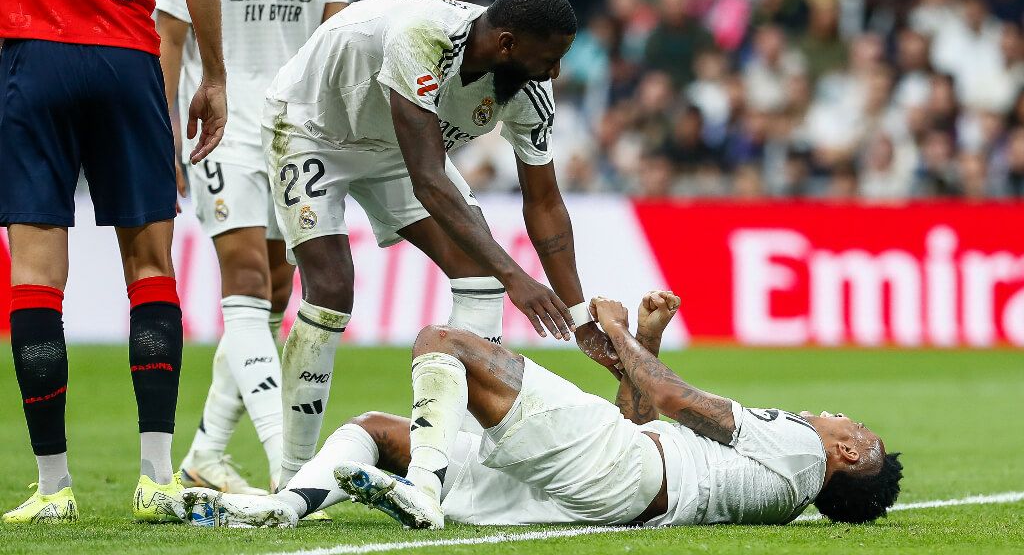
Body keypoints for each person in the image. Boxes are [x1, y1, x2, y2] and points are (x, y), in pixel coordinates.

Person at [261, 0, 618, 489]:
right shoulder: (424, 36)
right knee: (333, 287)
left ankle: (455, 462)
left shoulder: (531, 89)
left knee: (479, 275)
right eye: (550, 57)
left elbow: (544, 203)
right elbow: (428, 179)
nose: (555, 72)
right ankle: (292, 476)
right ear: (508, 44)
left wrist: (580, 317)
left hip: (393, 149)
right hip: (311, 129)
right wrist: (516, 274)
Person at [180, 292, 903, 529]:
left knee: (444, 343)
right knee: (377, 433)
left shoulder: (802, 455)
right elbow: (650, 415)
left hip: (614, 467)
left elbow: (677, 400)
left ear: (847, 457)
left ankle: (424, 493)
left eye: (857, 429)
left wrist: (617, 328)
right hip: (615, 478)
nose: (842, 417)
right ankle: (289, 504)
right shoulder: (780, 484)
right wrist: (643, 344)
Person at [0, 0, 227, 523]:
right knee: (151, 266)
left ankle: (53, 488)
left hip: (33, 57)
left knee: (34, 274)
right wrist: (214, 73)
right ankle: (157, 479)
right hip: (126, 54)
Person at [155, 0, 349, 497]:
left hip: (292, 133)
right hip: (220, 130)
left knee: (276, 296)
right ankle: (287, 469)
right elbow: (169, 33)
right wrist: (165, 128)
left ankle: (205, 454)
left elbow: (336, 36)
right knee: (246, 281)